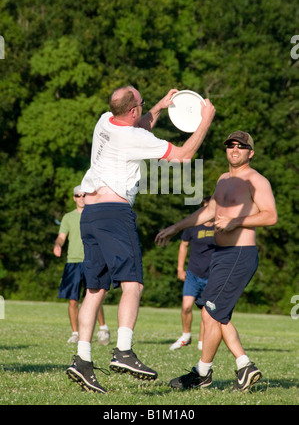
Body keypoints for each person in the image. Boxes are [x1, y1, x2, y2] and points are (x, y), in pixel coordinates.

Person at [66, 85, 216, 393]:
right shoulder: (135, 137)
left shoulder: (105, 120)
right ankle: (123, 350)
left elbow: (139, 126)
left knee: (95, 289)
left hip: (90, 216)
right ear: (133, 110)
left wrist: (160, 107)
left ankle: (82, 360)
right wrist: (206, 120)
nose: (144, 109)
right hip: (114, 214)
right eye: (143, 104)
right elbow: (185, 156)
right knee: (132, 284)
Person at [156, 130, 277, 391]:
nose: (234, 149)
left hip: (239, 254)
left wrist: (236, 221)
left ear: (250, 152)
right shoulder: (223, 180)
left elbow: (270, 216)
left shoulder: (256, 180)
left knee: (211, 311)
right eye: (230, 145)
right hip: (220, 255)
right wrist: (176, 227)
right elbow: (208, 211)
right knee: (214, 314)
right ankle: (244, 367)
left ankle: (204, 373)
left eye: (241, 146)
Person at [54, 186, 110, 346]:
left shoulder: (95, 215)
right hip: (73, 262)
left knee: (94, 297)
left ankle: (103, 329)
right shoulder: (68, 217)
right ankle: (75, 333)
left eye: (84, 195)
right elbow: (61, 237)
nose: (81, 198)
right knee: (73, 300)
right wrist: (58, 245)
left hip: (92, 261)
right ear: (74, 198)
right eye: (77, 195)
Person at [170, 196, 215, 351]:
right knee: (186, 306)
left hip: (212, 275)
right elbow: (183, 246)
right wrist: (179, 269)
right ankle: (186, 336)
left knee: (206, 311)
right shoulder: (193, 225)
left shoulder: (220, 227)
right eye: (205, 208)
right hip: (193, 274)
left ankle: (202, 343)